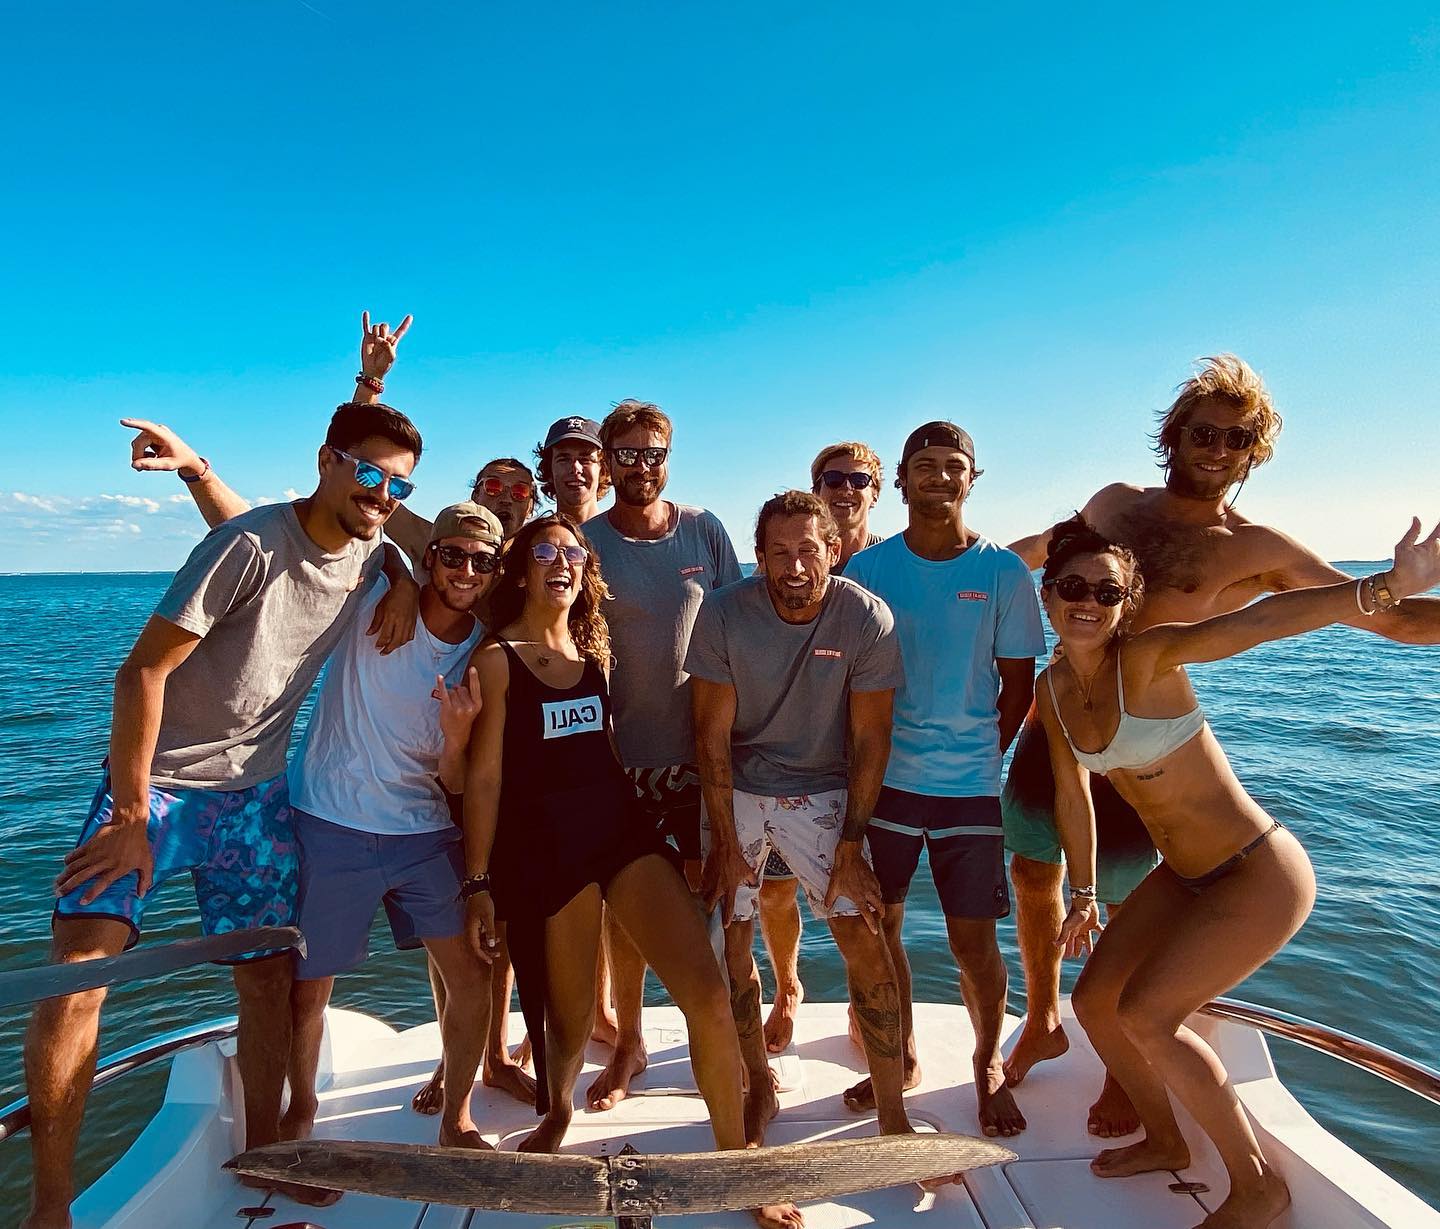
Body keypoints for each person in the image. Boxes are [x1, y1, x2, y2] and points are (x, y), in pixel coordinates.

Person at [1000, 354, 1440, 1136]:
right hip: (1062, 721)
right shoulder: (1114, 502)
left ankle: (1121, 1064)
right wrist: (939, 582)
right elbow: (1034, 554)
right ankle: (1041, 1016)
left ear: (1253, 454)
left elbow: (1383, 619)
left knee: (1142, 901)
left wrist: (1397, 587)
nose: (1218, 448)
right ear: (1173, 434)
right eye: (1204, 430)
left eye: (1238, 439)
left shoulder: (1256, 546)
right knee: (1037, 875)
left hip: (1143, 747)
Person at [24, 402, 424, 1228]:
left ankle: (270, 1150)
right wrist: (132, 811)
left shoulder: (374, 554)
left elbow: (397, 550)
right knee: (77, 982)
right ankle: (50, 1208)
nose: (382, 493)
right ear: (329, 462)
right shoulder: (246, 544)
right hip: (160, 788)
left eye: (399, 483)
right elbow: (140, 672)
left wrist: (408, 585)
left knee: (271, 975)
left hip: (255, 796)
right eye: (370, 473)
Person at [124, 418, 538, 1115]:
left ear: (496, 571)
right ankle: (302, 1106)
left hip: (421, 831)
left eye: (481, 562)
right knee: (308, 987)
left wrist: (458, 739)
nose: (465, 571)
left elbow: (463, 782)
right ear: (427, 555)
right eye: (451, 556)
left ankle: (459, 1115)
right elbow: (274, 539)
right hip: (329, 823)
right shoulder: (372, 595)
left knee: (473, 972)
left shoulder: (485, 651)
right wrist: (199, 472)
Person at [1039, 514, 1440, 1229]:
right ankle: (1163, 1139)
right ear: (1049, 596)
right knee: (1098, 1002)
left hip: (1258, 872)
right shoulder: (1054, 689)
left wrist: (1382, 589)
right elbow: (1073, 796)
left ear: (1127, 603)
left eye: (1106, 592)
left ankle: (1257, 1185)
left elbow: (1264, 621)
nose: (1088, 602)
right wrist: (1085, 889)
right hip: (1183, 874)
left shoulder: (1152, 656)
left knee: (1148, 1015)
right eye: (1073, 586)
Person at [458, 514, 802, 1229]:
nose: (563, 561)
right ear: (522, 569)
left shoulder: (592, 652)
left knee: (706, 994)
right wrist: (479, 882)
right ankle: (556, 1113)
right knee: (572, 1013)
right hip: (547, 850)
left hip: (620, 830)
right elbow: (484, 780)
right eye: (546, 550)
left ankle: (737, 1165)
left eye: (574, 551)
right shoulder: (497, 659)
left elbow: (604, 753)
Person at [691, 490, 915, 1151]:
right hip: (740, 783)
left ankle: (893, 1112)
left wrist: (850, 846)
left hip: (823, 788)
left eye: (809, 551)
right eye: (779, 553)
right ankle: (756, 1082)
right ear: (757, 557)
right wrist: (727, 846)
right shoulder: (726, 614)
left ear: (835, 551)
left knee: (864, 934)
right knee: (731, 938)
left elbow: (872, 739)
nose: (795, 567)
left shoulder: (865, 617)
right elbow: (709, 735)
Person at [843, 421, 1045, 1138]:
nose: (938, 476)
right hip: (886, 783)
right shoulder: (867, 570)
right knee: (881, 926)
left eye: (952, 465)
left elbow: (1018, 685)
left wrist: (984, 757)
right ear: (899, 479)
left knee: (972, 944)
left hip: (968, 789)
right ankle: (898, 1058)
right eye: (923, 465)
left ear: (972, 477)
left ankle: (986, 1063)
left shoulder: (1004, 574)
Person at [579, 398, 744, 1110]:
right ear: (608, 459)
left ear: (667, 459)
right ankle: (629, 1043)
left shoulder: (705, 532)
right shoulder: (584, 540)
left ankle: (731, 1046)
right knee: (625, 915)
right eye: (628, 453)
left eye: (654, 453)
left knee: (716, 896)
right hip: (619, 763)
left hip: (701, 758)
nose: (641, 466)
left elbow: (745, 628)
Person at [756, 441, 887, 1054]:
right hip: (796, 765)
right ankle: (787, 988)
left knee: (864, 896)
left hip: (878, 759)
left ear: (876, 488)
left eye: (857, 478)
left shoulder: (891, 563)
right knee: (776, 888)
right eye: (830, 478)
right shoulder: (791, 560)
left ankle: (872, 1016)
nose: (844, 487)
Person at [535, 415, 609, 523]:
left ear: (603, 470)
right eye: (564, 459)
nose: (575, 468)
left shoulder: (625, 534)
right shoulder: (536, 537)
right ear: (549, 470)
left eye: (585, 460)